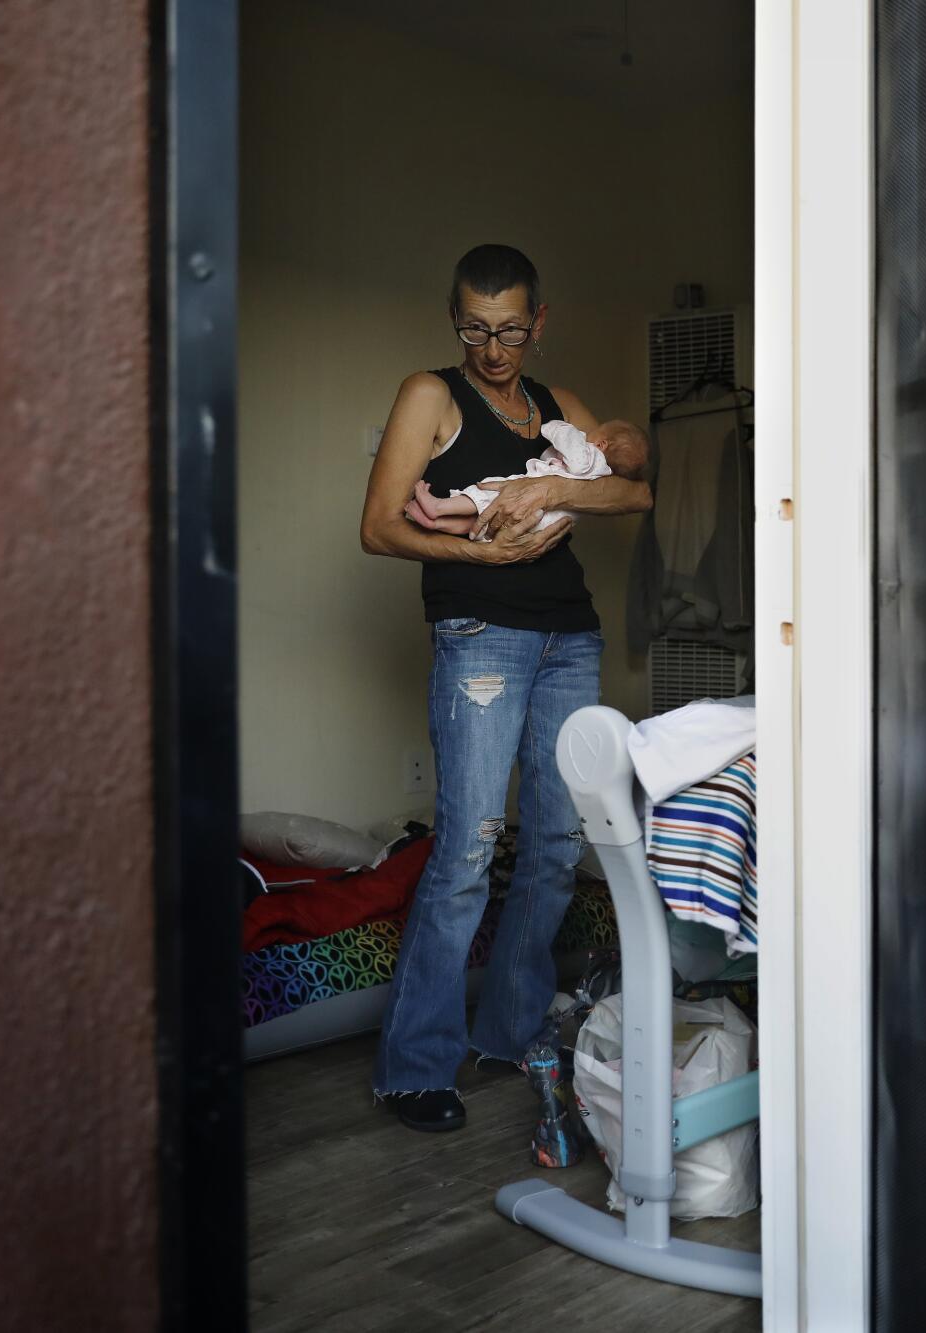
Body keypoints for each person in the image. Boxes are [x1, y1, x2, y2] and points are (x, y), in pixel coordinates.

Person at [358, 243, 652, 1132]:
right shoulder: (431, 394)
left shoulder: (560, 409)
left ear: (539, 322)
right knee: (469, 849)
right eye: (476, 329)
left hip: (571, 638)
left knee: (558, 845)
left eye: (512, 330)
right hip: (480, 636)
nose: (494, 348)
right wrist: (478, 548)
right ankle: (414, 1066)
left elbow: (634, 491)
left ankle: (509, 1031)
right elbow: (377, 527)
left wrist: (561, 484)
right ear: (455, 320)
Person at [404, 419, 648, 539]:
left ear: (601, 444)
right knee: (477, 526)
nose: (586, 435)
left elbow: (571, 447)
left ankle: (437, 508)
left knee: (487, 497)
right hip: (538, 526)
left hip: (532, 505)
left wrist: (560, 428)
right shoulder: (603, 478)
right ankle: (436, 525)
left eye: (594, 432)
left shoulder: (591, 457)